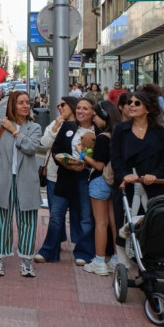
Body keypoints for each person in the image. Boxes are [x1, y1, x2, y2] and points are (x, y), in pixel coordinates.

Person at [0, 91, 43, 278]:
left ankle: (26, 262)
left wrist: (14, 131)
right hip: (2, 180)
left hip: (27, 181)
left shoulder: (34, 127)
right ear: (12, 104)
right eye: (20, 102)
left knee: (28, 223)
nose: (25, 106)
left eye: (27, 102)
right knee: (2, 223)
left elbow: (31, 148)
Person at [110, 91, 164, 266]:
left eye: (137, 103)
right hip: (128, 186)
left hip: (154, 186)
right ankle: (123, 265)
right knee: (124, 224)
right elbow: (115, 158)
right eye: (130, 102)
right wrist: (124, 175)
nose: (131, 105)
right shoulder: (120, 130)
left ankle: (152, 264)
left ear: (148, 109)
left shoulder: (159, 132)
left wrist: (156, 174)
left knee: (154, 225)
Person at [43, 97, 98, 266]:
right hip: (65, 176)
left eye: (85, 108)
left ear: (93, 112)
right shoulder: (67, 126)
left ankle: (84, 253)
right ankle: (49, 251)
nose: (80, 111)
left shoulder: (98, 131)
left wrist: (86, 164)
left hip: (86, 178)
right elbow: (56, 150)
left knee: (85, 217)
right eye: (79, 107)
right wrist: (66, 162)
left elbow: (102, 157)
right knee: (56, 215)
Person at [33, 96, 83, 264]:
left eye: (63, 105)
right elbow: (44, 142)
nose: (60, 108)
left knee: (78, 214)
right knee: (55, 214)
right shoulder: (56, 124)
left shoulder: (82, 125)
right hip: (55, 175)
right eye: (58, 105)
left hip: (78, 176)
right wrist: (55, 126)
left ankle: (80, 249)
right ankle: (53, 246)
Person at [81, 100, 121, 276]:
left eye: (96, 116)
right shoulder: (119, 134)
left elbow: (98, 165)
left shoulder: (103, 138)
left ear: (105, 116)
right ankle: (116, 259)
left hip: (100, 181)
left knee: (101, 223)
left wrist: (82, 154)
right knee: (114, 223)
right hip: (115, 182)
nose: (94, 119)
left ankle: (99, 262)